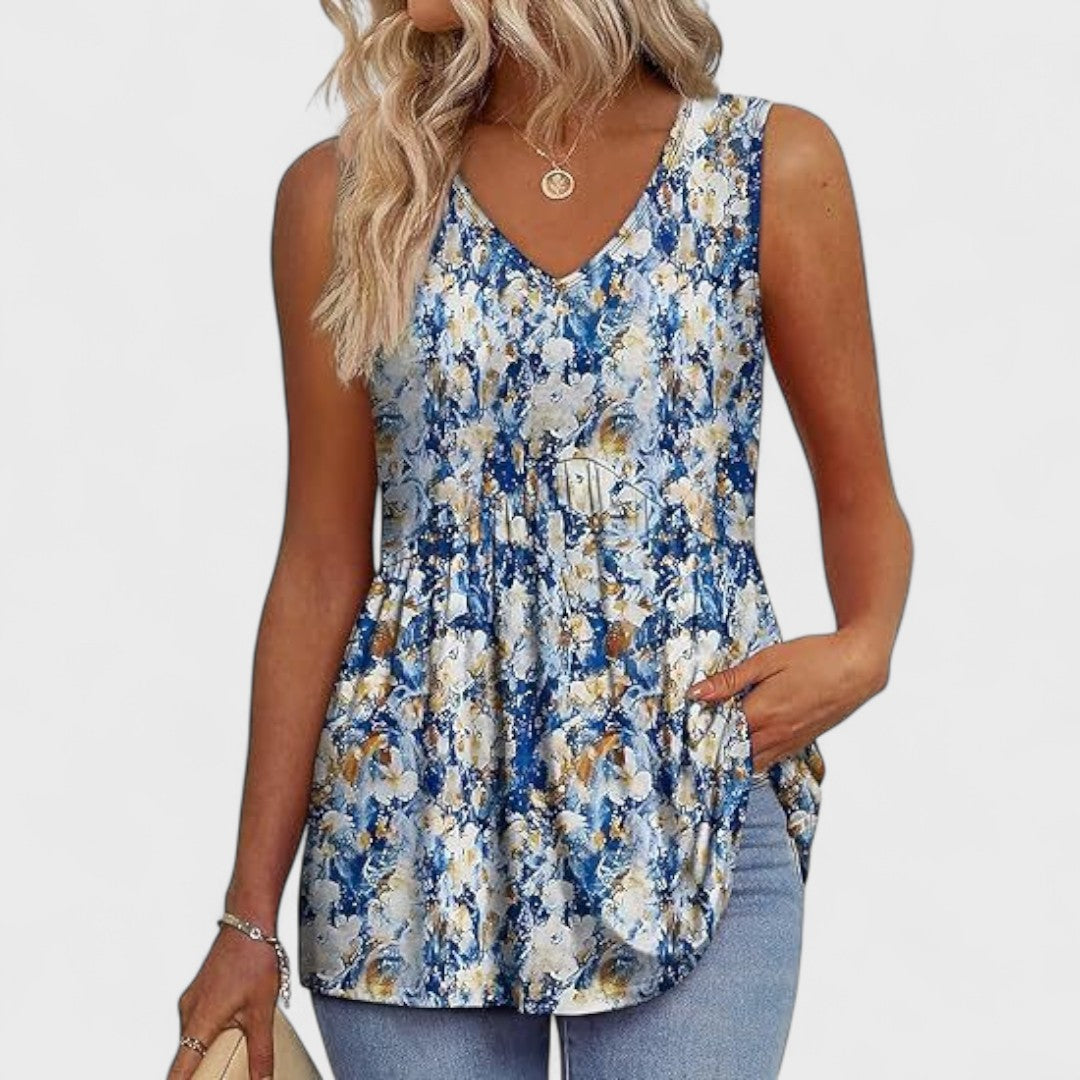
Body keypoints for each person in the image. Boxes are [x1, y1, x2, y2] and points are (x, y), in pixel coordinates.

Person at [169, 1, 912, 1078]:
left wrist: (865, 645)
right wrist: (248, 918)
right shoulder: (348, 194)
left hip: (687, 804)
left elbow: (860, 494)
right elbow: (321, 563)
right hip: (406, 831)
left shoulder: (764, 167)